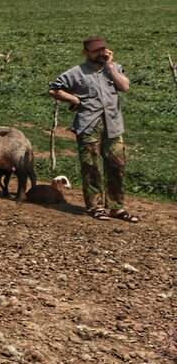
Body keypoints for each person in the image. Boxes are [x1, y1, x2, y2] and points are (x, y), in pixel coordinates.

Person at [48, 36, 137, 223]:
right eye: (96, 50)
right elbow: (54, 89)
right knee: (91, 167)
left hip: (113, 124)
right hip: (89, 125)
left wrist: (111, 67)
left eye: (103, 49)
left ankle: (116, 207)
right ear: (86, 53)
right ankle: (95, 207)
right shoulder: (76, 72)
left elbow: (125, 86)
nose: (101, 53)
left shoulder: (114, 69)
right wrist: (73, 99)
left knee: (117, 165)